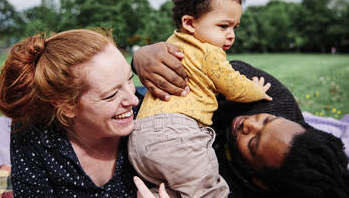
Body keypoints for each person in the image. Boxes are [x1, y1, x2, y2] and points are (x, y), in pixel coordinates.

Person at [133, 43, 349, 198]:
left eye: (254, 143)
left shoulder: (232, 189)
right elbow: (196, 60)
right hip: (164, 99)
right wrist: (141, 58)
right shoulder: (272, 99)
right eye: (267, 120)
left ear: (260, 182)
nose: (248, 124)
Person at [128, 0, 271, 197]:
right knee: (211, 191)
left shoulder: (170, 44)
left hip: (139, 140)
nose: (231, 35)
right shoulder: (209, 52)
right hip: (178, 135)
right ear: (190, 23)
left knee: (176, 189)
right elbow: (232, 85)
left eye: (235, 27)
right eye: (223, 26)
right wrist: (257, 90)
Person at [0, 29, 142, 197]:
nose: (133, 100)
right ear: (66, 106)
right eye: (111, 95)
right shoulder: (32, 131)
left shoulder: (148, 118)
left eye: (129, 80)